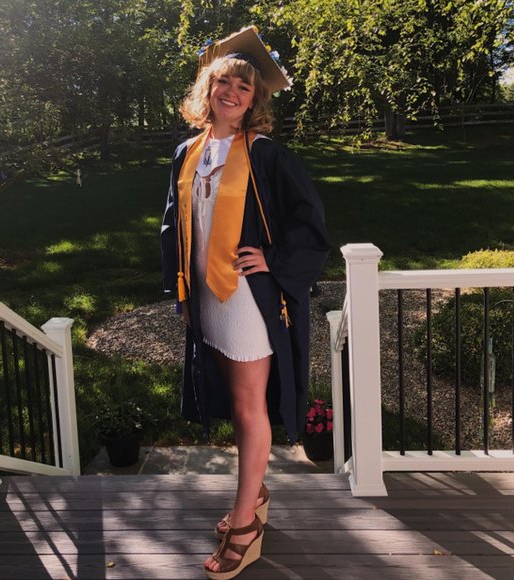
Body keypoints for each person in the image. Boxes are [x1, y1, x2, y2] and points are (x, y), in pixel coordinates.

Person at [160, 26, 331, 580]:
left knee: (249, 405)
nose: (232, 93)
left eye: (244, 86)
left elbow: (309, 221)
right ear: (207, 89)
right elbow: (173, 226)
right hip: (207, 295)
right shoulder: (188, 153)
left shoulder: (264, 154)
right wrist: (181, 290)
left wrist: (273, 260)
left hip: (246, 299)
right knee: (237, 404)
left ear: (255, 99)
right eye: (224, 83)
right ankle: (252, 495)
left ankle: (245, 523)